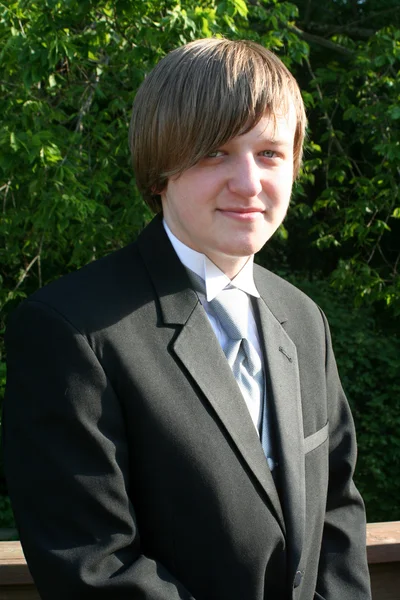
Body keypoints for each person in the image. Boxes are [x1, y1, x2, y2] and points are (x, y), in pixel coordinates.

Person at [3, 38, 371, 600]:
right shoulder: (71, 330)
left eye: (269, 153)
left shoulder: (303, 318)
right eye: (214, 152)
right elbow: (95, 566)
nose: (249, 184)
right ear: (159, 170)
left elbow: (336, 512)